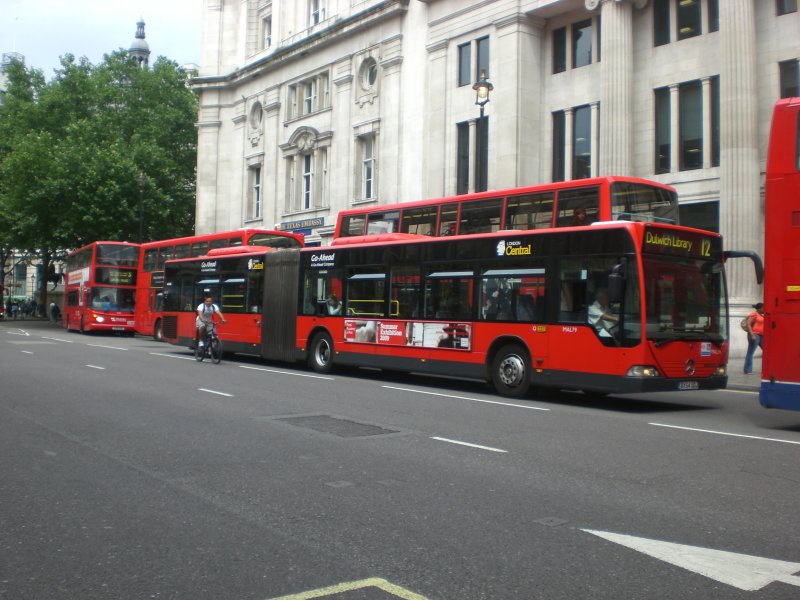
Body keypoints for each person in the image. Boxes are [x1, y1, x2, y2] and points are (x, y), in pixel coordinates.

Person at [743, 302, 764, 374]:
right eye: (763, 308)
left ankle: (766, 369)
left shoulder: (762, 315)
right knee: (751, 352)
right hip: (755, 335)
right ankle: (747, 370)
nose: (764, 309)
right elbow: (748, 324)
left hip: (761, 335)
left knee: (767, 351)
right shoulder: (753, 314)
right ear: (760, 308)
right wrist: (752, 334)